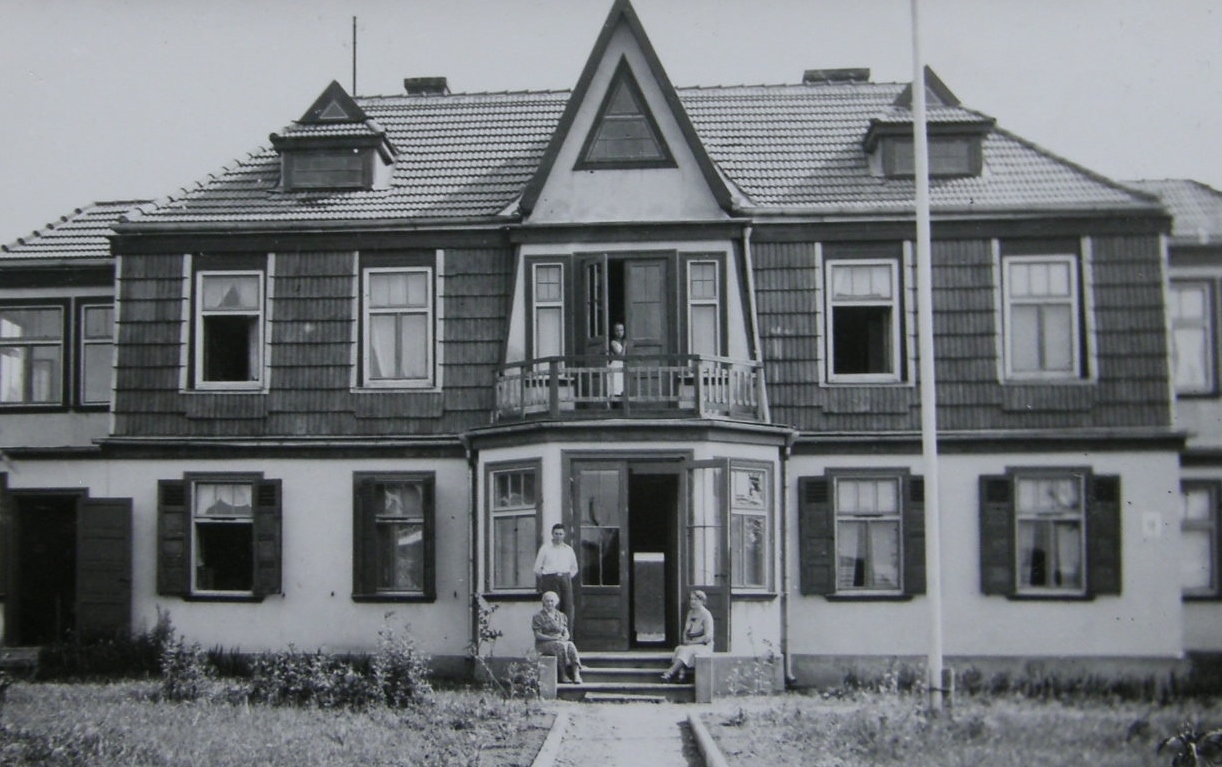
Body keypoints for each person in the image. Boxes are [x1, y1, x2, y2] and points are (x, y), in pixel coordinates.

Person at [661, 590, 714, 682]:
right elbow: (686, 631)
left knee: (686, 650)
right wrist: (685, 640)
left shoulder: (706, 615)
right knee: (679, 649)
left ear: (702, 601)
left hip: (704, 645)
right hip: (691, 644)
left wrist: (693, 642)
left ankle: (669, 673)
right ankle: (681, 674)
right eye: (691, 599)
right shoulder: (690, 613)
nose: (692, 601)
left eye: (696, 599)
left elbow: (708, 637)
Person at [532, 591, 584, 683]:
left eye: (552, 601)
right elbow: (538, 635)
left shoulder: (561, 616)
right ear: (544, 602)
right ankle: (563, 674)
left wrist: (564, 638)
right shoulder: (538, 616)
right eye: (547, 601)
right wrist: (553, 638)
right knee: (559, 646)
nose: (550, 603)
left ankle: (576, 674)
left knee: (570, 645)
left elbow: (566, 632)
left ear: (556, 602)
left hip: (560, 641)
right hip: (544, 644)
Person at [533, 523, 578, 628]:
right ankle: (552, 635)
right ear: (552, 534)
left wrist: (566, 577)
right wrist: (547, 579)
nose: (558, 536)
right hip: (550, 580)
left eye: (560, 534)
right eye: (556, 534)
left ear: (564, 535)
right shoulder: (545, 549)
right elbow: (537, 569)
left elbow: (574, 568)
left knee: (567, 608)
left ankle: (566, 636)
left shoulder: (568, 549)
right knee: (551, 607)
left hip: (565, 580)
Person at [608, 321, 626, 398]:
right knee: (615, 388)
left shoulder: (623, 342)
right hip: (616, 366)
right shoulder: (613, 343)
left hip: (622, 366)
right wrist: (624, 346)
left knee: (622, 388)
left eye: (621, 330)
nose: (620, 332)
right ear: (614, 332)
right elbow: (620, 356)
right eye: (617, 330)